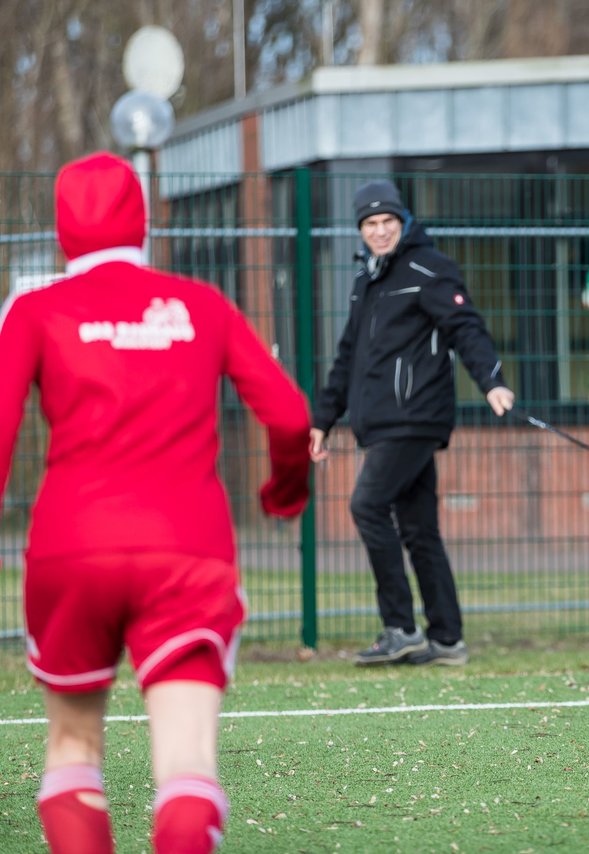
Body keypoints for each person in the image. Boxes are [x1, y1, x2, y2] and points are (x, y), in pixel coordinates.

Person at [0, 151, 312, 853]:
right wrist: (283, 491)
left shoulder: (34, 310)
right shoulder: (200, 305)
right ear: (141, 221)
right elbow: (291, 418)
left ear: (63, 230)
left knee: (73, 748)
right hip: (187, 550)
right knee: (186, 766)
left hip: (71, 548)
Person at [310, 179, 515, 667]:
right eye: (370, 224)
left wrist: (491, 381)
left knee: (366, 505)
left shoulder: (430, 268)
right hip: (380, 421)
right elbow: (347, 356)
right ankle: (446, 639)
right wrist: (323, 418)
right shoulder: (368, 279)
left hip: (415, 417)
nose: (380, 231)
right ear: (360, 230)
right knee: (420, 530)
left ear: (403, 223)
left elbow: (466, 327)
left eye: (388, 222)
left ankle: (399, 628)